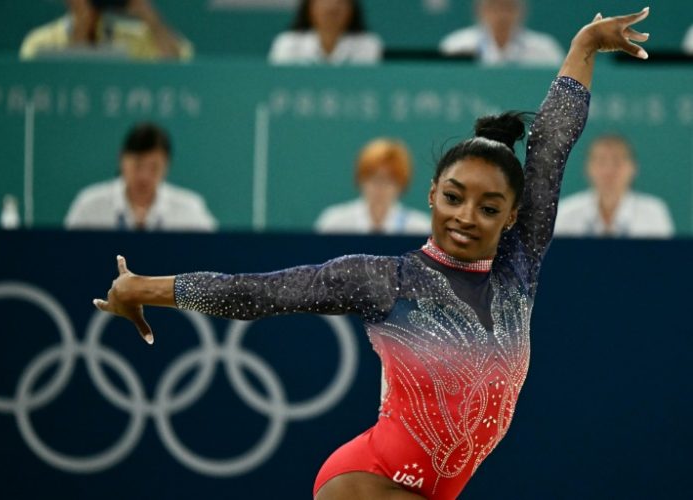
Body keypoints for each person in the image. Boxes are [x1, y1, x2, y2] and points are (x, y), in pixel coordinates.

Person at [93, 8, 651, 499]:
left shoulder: (519, 264)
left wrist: (582, 48)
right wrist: (140, 288)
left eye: (487, 207)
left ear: (512, 217)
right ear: (431, 194)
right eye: (453, 198)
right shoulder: (389, 281)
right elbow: (258, 293)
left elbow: (550, 148)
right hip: (365, 483)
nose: (464, 217)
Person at [65, 122, 216, 231]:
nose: (144, 176)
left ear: (167, 165)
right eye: (137, 165)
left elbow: (212, 262)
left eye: (154, 167)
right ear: (121, 159)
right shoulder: (89, 206)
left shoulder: (190, 210)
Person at [554, 134, 674, 237]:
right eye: (601, 161)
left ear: (633, 168)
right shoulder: (566, 213)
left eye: (617, 161)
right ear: (588, 168)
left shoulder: (653, 213)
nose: (608, 170)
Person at [315, 138, 430, 234]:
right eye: (373, 178)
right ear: (360, 179)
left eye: (389, 180)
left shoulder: (419, 228)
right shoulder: (334, 223)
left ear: (401, 184)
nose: (380, 187)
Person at [20, 0, 192, 61]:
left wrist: (148, 15)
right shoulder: (39, 42)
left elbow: (179, 67)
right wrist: (81, 25)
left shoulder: (136, 38)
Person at [439, 0, 564, 66]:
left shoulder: (546, 49)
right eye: (494, 6)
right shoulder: (455, 46)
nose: (502, 15)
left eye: (508, 6)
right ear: (480, 10)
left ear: (521, 10)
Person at [269, 0, 382, 65]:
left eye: (340, 2)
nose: (331, 7)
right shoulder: (287, 43)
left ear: (352, 9)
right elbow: (279, 82)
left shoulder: (368, 44)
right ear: (309, 8)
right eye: (323, 1)